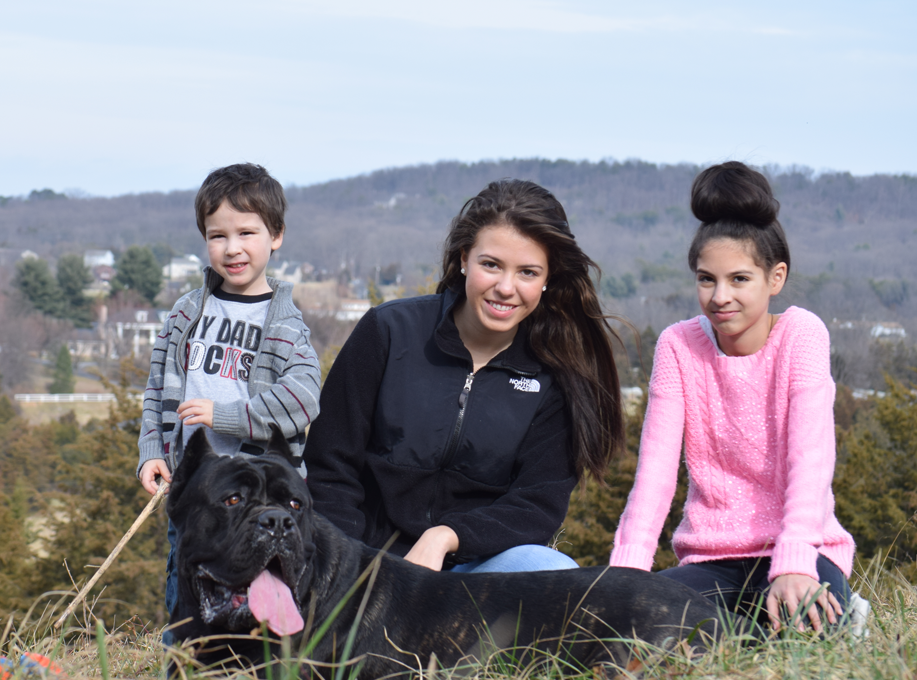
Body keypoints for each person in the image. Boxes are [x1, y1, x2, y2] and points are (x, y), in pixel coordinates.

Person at [304, 179, 625, 573]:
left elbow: (536, 506)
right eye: (491, 265)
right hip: (364, 563)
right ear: (463, 259)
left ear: (548, 280)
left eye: (527, 272)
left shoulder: (556, 375)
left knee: (550, 569)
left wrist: (445, 536)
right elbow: (330, 467)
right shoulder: (389, 331)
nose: (506, 288)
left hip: (473, 574)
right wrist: (353, 563)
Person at [609, 161, 857, 635]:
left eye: (739, 279)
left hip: (802, 551)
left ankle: (836, 614)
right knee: (643, 631)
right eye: (707, 279)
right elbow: (655, 475)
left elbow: (811, 461)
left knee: (804, 634)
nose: (720, 296)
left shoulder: (801, 335)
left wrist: (796, 563)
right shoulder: (679, 345)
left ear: (775, 278)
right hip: (712, 558)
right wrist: (626, 576)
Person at [137, 163, 322, 636]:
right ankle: (183, 665)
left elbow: (303, 400)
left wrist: (227, 416)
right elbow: (157, 388)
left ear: (276, 235)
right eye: (217, 236)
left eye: (247, 232)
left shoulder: (284, 326)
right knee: (187, 580)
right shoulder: (186, 312)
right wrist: (152, 452)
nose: (232, 248)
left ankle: (258, 672)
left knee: (260, 584)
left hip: (259, 498)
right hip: (198, 489)